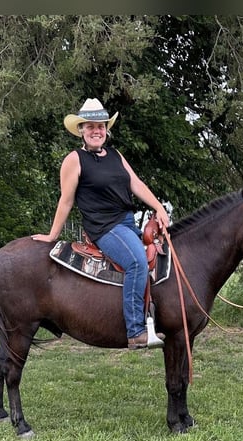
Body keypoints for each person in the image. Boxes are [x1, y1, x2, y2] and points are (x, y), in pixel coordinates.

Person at [31, 98, 170, 350]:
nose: (97, 131)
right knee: (137, 262)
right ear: (81, 130)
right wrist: (52, 235)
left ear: (106, 129)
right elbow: (66, 201)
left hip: (127, 224)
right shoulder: (74, 159)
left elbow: (136, 183)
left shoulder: (116, 156)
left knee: (157, 256)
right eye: (91, 126)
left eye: (101, 126)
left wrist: (159, 207)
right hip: (104, 227)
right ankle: (136, 331)